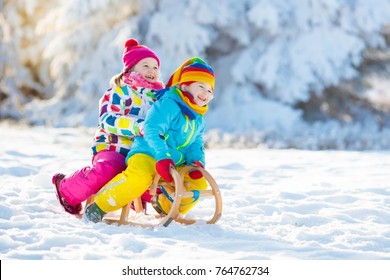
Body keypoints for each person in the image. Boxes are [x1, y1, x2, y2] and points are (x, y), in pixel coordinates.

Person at [84, 57, 216, 223]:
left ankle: (165, 206)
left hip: (172, 160)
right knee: (139, 178)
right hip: (148, 153)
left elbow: (195, 143)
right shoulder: (169, 104)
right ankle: (99, 206)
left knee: (199, 183)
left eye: (210, 90)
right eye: (201, 87)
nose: (206, 93)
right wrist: (162, 155)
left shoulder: (198, 119)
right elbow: (152, 130)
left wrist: (196, 160)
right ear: (184, 86)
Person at [52, 38, 164, 215]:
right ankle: (67, 190)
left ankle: (137, 197)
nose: (152, 71)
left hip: (140, 152)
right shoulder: (119, 91)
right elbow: (108, 119)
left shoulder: (157, 97)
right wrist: (137, 127)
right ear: (131, 68)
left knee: (153, 172)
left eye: (155, 67)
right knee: (109, 169)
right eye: (146, 66)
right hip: (113, 147)